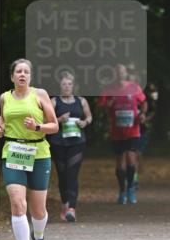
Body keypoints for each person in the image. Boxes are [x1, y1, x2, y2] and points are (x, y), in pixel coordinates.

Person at [0, 58, 58, 240]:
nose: (22, 74)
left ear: (30, 76)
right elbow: (3, 120)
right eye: (18, 71)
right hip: (13, 152)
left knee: (38, 210)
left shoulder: (39, 95)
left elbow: (54, 126)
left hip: (38, 152)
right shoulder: (4, 97)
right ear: (12, 76)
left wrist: (37, 126)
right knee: (17, 203)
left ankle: (38, 236)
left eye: (26, 72)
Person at [97, 64, 147, 204]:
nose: (120, 75)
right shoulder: (109, 89)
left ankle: (131, 188)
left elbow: (144, 102)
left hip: (133, 130)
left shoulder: (134, 87)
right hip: (116, 131)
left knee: (131, 161)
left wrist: (142, 114)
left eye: (122, 72)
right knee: (120, 163)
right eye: (117, 72)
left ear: (125, 74)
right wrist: (108, 105)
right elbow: (100, 107)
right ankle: (122, 190)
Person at [48, 71, 92, 222]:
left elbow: (89, 117)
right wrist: (59, 119)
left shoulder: (81, 101)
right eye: (64, 84)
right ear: (59, 86)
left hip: (77, 142)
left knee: (72, 173)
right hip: (58, 142)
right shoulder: (54, 101)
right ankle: (64, 204)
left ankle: (71, 208)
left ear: (74, 86)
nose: (67, 87)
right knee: (63, 175)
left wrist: (84, 122)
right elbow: (46, 121)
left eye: (69, 84)